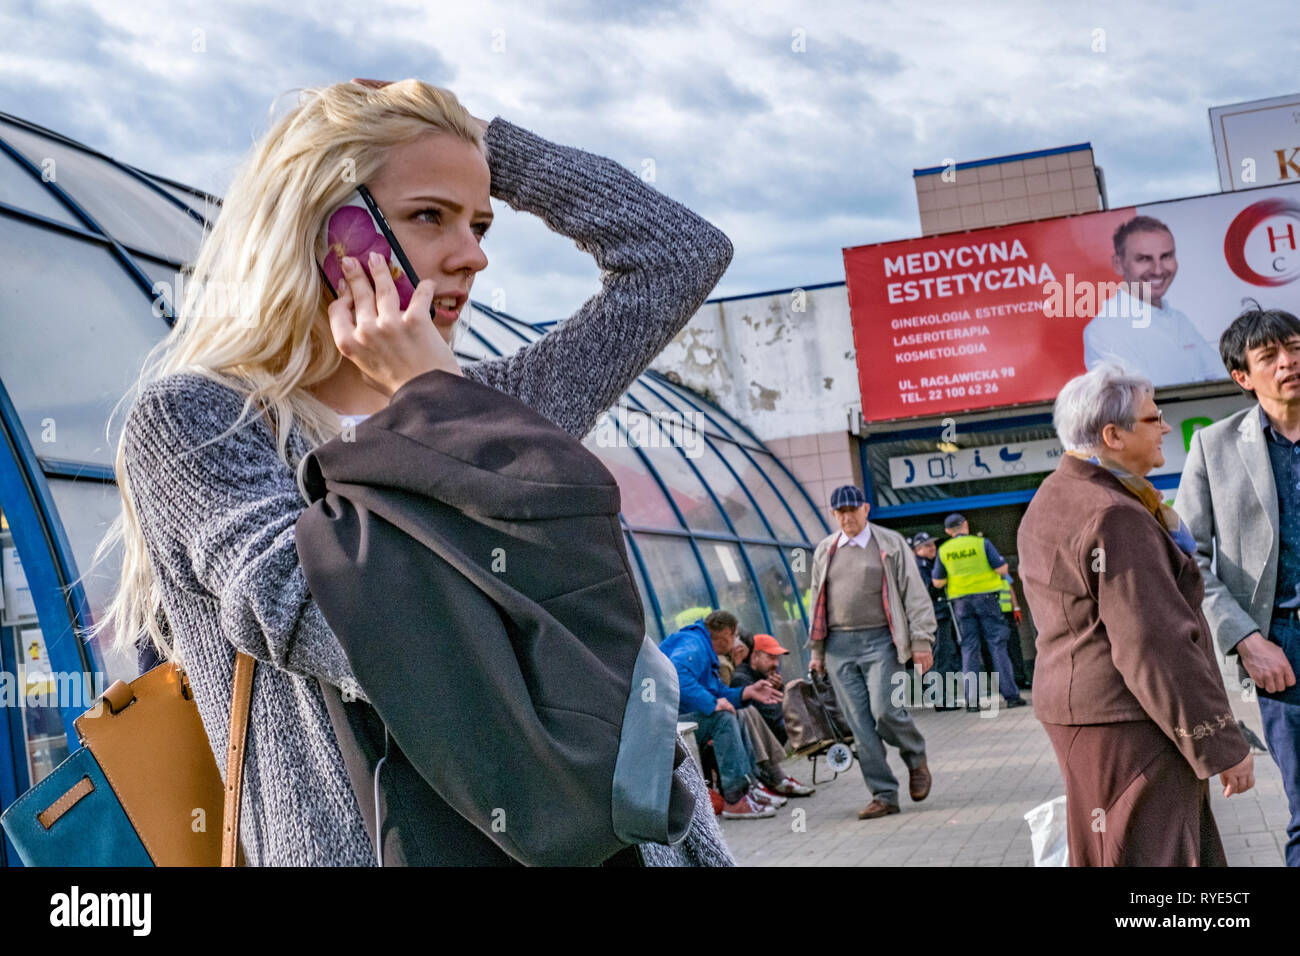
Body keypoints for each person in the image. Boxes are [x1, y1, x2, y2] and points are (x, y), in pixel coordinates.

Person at [95, 79, 736, 866]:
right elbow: (325, 618)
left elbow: (679, 255)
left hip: (611, 840)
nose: (472, 255)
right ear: (330, 231)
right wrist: (436, 407)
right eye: (429, 216)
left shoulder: (494, 403)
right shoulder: (202, 422)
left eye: (480, 221)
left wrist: (484, 144)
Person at [1019, 363, 1253, 866]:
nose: (1165, 427)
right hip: (1130, 721)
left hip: (1088, 714)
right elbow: (1155, 645)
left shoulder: (1055, 494)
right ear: (1113, 435)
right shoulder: (1113, 513)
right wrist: (1221, 745)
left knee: (1115, 851)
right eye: (1153, 418)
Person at [1175, 305, 1300, 866]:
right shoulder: (1214, 447)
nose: (1289, 363)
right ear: (1243, 377)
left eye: (1295, 348)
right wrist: (1247, 639)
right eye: (1270, 356)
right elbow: (1187, 556)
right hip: (1283, 652)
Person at [807, 485, 935, 820]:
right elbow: (816, 603)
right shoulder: (826, 549)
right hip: (838, 647)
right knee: (860, 727)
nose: (847, 517)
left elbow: (914, 593)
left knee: (885, 711)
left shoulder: (889, 543)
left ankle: (915, 754)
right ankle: (884, 794)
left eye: (853, 510)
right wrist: (817, 652)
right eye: (840, 512)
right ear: (833, 514)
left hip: (882, 641)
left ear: (866, 509)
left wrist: (921, 642)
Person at [659, 611, 786, 819]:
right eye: (735, 635)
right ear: (726, 634)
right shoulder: (695, 645)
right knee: (723, 719)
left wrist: (747, 692)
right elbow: (677, 675)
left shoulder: (703, 648)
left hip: (675, 720)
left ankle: (749, 786)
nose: (736, 641)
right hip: (665, 727)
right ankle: (734, 798)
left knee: (735, 712)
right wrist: (712, 703)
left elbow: (717, 690)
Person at [1082, 215, 1222, 386]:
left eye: (1166, 256)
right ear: (1118, 264)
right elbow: (1139, 400)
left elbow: (1220, 375)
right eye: (1144, 259)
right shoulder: (1103, 331)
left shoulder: (1179, 319)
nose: (1158, 270)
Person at [931, 514, 1028, 710]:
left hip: (961, 604)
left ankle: (973, 702)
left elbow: (937, 582)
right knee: (998, 646)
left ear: (948, 531)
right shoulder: (981, 543)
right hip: (987, 600)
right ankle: (1011, 696)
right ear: (965, 525)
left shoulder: (944, 550)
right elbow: (1002, 569)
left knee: (969, 649)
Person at [910, 531, 963, 710]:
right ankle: (940, 698)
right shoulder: (921, 566)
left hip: (939, 614)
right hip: (934, 616)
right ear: (918, 549)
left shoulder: (928, 563)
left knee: (944, 655)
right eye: (927, 545)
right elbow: (927, 590)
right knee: (939, 657)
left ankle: (941, 696)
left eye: (933, 544)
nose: (933, 548)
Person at [731, 633, 792, 746]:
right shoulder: (741, 679)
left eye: (777, 658)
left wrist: (778, 689)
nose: (776, 664)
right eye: (771, 657)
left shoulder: (760, 676)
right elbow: (775, 718)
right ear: (754, 657)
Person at [996, 570, 1032, 689]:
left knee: (1014, 646)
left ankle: (1020, 678)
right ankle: (1005, 682)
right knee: (1000, 648)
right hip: (992, 615)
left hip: (1008, 613)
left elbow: (1009, 587)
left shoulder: (999, 567)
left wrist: (1016, 607)